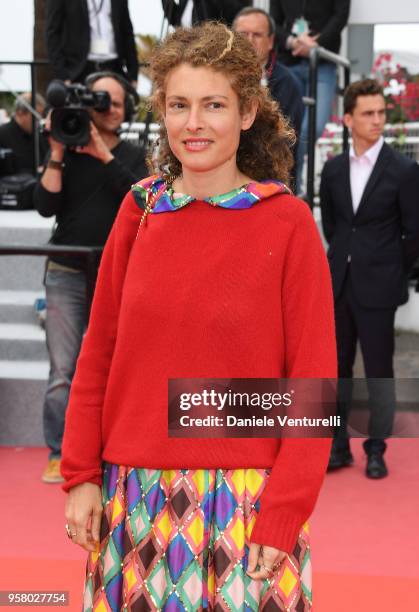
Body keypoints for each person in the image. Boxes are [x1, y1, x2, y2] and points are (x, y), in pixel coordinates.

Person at [62, 23, 336, 610]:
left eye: (214, 105)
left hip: (247, 503)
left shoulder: (287, 224)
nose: (194, 123)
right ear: (161, 111)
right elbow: (98, 352)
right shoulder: (137, 213)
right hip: (132, 494)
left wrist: (285, 511)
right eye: (179, 105)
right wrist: (82, 474)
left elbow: (312, 386)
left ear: (247, 113)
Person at [34, 72, 147, 484]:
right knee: (63, 369)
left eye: (117, 102)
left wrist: (103, 155)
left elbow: (142, 198)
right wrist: (58, 151)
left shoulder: (134, 154)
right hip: (65, 270)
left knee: (116, 367)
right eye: (102, 102)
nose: (110, 110)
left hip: (117, 274)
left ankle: (111, 448)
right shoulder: (65, 144)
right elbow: (45, 204)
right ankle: (58, 451)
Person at [320, 79, 419, 478]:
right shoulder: (333, 168)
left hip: (379, 287)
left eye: (381, 112)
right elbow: (333, 224)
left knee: (379, 370)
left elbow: (414, 233)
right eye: (368, 113)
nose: (377, 120)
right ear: (348, 119)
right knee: (336, 368)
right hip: (338, 284)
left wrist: (387, 266)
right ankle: (337, 447)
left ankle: (376, 449)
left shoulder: (404, 169)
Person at [271, 0, 351, 193]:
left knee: (310, 129)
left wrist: (315, 45)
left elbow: (340, 17)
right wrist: (293, 42)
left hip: (323, 61)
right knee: (284, 127)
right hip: (289, 60)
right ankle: (290, 188)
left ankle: (292, 187)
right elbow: (273, 22)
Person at [233, 7, 304, 147]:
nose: (250, 40)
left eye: (257, 35)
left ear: (271, 41)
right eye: (243, 34)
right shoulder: (218, 76)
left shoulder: (287, 82)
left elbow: (287, 140)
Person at [45, 0, 139, 85]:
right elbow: (52, 33)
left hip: (114, 68)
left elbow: (127, 31)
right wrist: (63, 75)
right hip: (79, 72)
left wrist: (133, 74)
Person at [0, 92, 47, 174]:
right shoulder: (2, 134)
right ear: (20, 112)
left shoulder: (40, 135)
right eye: (35, 117)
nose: (39, 122)